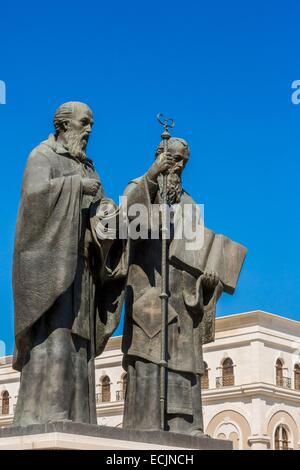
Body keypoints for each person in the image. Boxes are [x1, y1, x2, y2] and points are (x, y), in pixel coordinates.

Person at [121, 137, 246, 435]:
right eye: (173, 159)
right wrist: (152, 178)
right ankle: (146, 426)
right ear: (159, 157)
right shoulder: (139, 188)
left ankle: (185, 426)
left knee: (184, 361)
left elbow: (196, 260)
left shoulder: (189, 205)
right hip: (149, 296)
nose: (178, 166)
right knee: (150, 357)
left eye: (183, 162)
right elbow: (122, 225)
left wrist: (205, 285)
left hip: (183, 301)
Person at [13, 102, 123, 425]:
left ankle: (81, 416)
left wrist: (109, 215)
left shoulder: (89, 169)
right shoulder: (41, 157)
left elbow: (98, 216)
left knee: (80, 345)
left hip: (84, 269)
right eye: (84, 123)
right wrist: (75, 188)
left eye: (92, 125)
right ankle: (47, 414)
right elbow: (34, 201)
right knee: (56, 341)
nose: (89, 130)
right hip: (51, 269)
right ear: (63, 126)